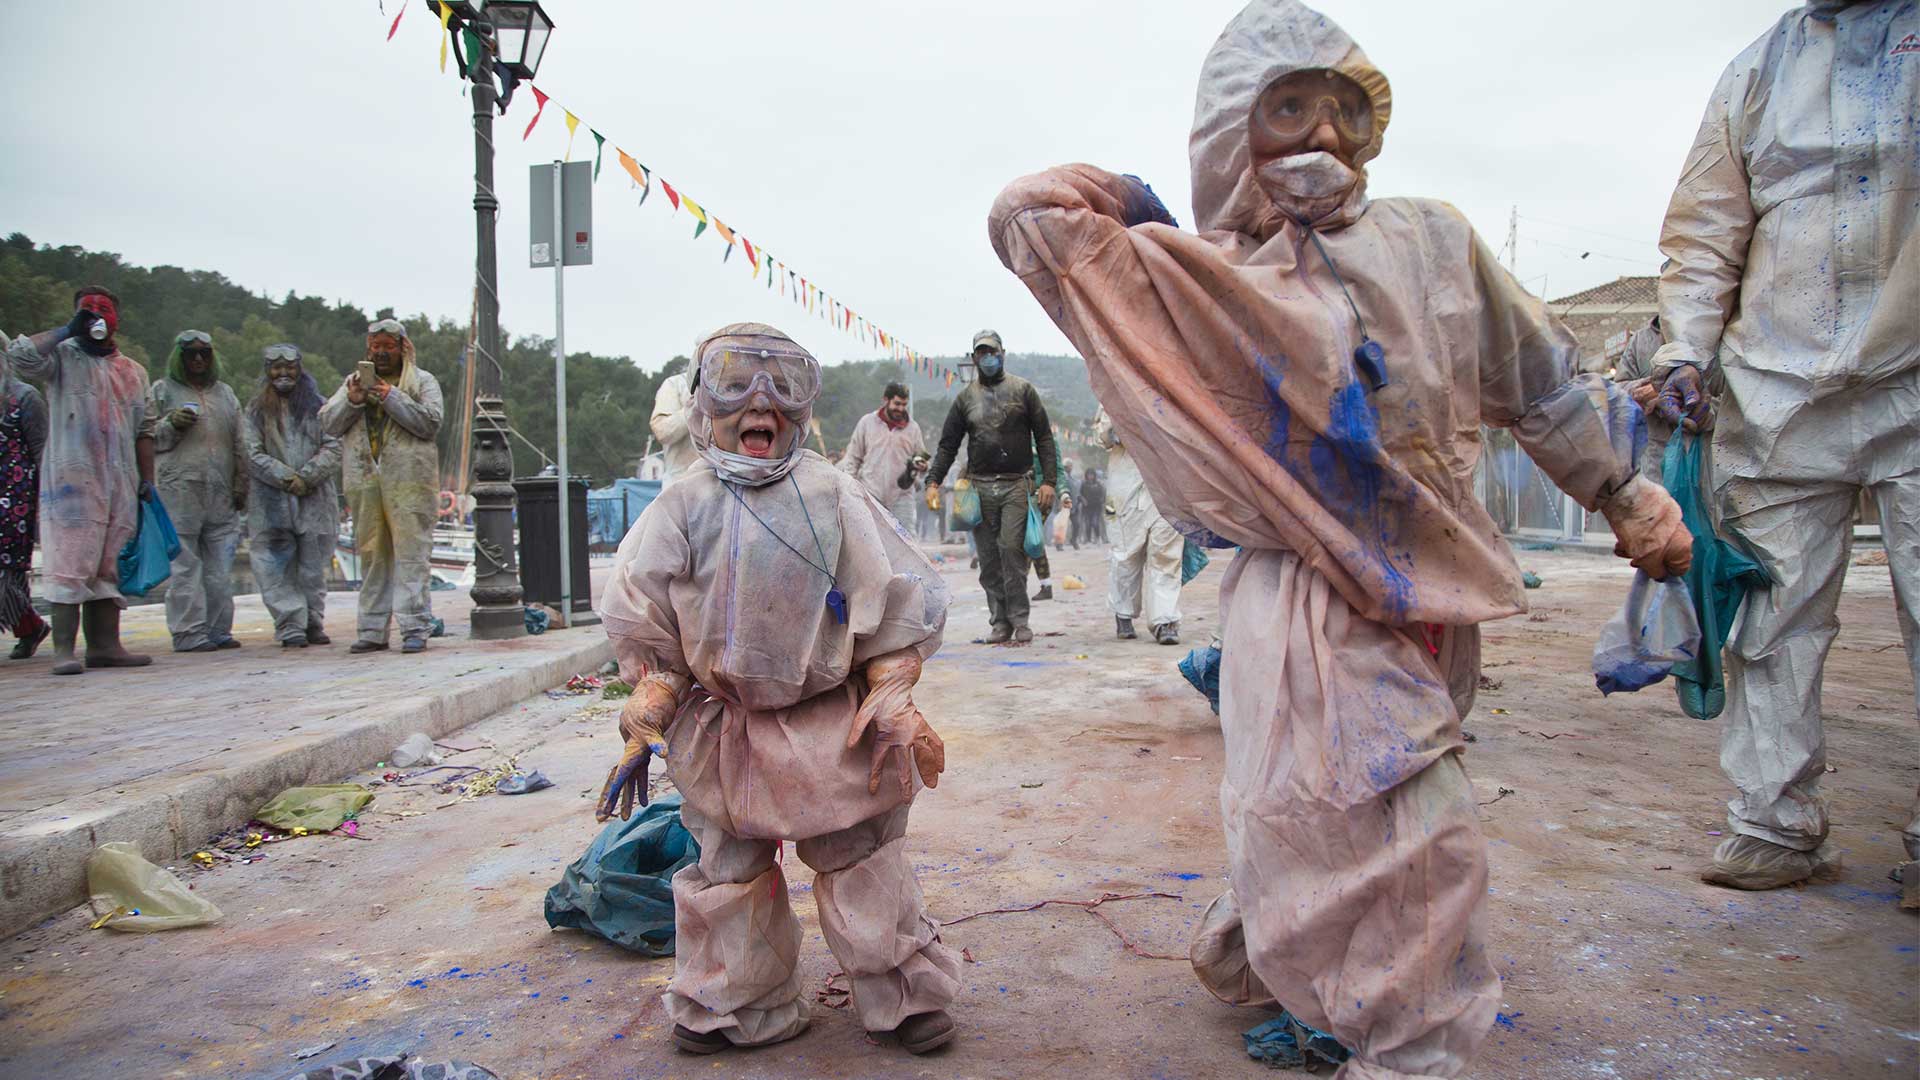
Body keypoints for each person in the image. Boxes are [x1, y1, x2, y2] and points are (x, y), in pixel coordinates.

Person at [987, 2, 1691, 1076]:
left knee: (1332, 817)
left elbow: (1541, 386)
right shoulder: (1191, 279)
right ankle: (1412, 1049)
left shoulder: (1436, 241)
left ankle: (1284, 963)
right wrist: (1141, 202)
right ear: (1230, 127)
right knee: (1413, 831)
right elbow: (1026, 216)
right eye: (1284, 106)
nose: (1321, 128)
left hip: (1435, 596)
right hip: (1301, 599)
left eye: (1344, 105)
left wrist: (1624, 492)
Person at [597, 322, 960, 1057]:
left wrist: (891, 695)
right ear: (702, 403)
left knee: (862, 856)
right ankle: (734, 1003)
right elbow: (655, 629)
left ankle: (901, 993)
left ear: (804, 405)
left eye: (784, 385)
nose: (761, 404)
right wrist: (651, 702)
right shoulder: (681, 505)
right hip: (724, 726)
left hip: (830, 722)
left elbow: (891, 607)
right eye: (735, 383)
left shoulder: (833, 494)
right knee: (726, 869)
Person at [1647, 0, 1918, 893]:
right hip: (1777, 390)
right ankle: (1773, 821)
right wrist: (1684, 347)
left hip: (1912, 373)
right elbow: (1703, 234)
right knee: (1771, 618)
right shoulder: (1760, 70)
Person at [6, 288, 158, 676]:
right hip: (70, 482)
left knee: (110, 564)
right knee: (69, 561)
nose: (95, 317)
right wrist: (64, 331)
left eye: (102, 310)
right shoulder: (60, 358)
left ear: (116, 319)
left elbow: (145, 428)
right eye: (86, 311)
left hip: (120, 481)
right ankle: (63, 651)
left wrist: (148, 480)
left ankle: (106, 646)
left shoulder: (133, 371)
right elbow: (20, 356)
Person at [924, 331, 1059, 643]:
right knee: (987, 559)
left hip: (1016, 484)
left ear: (1003, 354)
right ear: (974, 359)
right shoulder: (965, 399)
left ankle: (1019, 619)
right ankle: (999, 622)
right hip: (979, 489)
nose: (987, 358)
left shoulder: (1023, 391)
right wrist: (933, 480)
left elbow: (1045, 439)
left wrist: (1049, 481)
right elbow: (947, 445)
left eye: (992, 352)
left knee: (1012, 550)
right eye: (981, 353)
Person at [321, 319, 443, 655]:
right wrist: (352, 399)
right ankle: (372, 629)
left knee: (412, 554)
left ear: (402, 348)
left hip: (410, 483)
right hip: (364, 480)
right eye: (375, 346)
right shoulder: (353, 383)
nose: (381, 352)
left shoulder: (422, 382)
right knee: (372, 554)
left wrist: (392, 398)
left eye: (388, 346)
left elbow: (430, 422)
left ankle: (415, 626)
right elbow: (328, 423)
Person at [149, 330, 246, 653]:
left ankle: (218, 629)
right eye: (191, 353)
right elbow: (148, 439)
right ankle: (188, 631)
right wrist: (170, 424)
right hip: (179, 491)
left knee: (220, 569)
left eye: (204, 352)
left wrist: (241, 481)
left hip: (221, 492)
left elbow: (240, 443)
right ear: (180, 356)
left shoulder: (226, 395)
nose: (199, 359)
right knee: (185, 566)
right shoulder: (162, 391)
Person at [243, 344, 341, 649]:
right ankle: (289, 625)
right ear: (267, 371)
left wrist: (308, 476)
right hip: (271, 501)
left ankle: (313, 621)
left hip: (315, 499)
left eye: (290, 367)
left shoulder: (321, 407)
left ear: (300, 369)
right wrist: (286, 478)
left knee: (313, 566)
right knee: (275, 566)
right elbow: (250, 452)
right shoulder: (255, 411)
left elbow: (334, 446)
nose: (283, 374)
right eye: (276, 367)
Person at [1098, 407, 1186, 644]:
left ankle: (1164, 621)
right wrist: (1121, 429)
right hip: (1126, 487)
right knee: (1126, 554)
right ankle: (1123, 614)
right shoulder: (1115, 388)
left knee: (1166, 556)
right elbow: (1104, 435)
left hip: (1168, 486)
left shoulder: (1174, 388)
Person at [1, 342, 50, 659]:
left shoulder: (25, 397)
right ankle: (30, 627)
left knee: (8, 574)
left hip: (16, 499)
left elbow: (43, 450)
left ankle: (29, 627)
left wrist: (46, 504)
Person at [840, 381, 926, 526]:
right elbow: (853, 458)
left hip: (902, 496)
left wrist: (923, 465)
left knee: (906, 542)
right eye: (897, 404)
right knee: (871, 542)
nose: (901, 408)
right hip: (870, 494)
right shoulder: (867, 423)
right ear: (886, 400)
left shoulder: (913, 428)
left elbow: (922, 455)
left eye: (904, 405)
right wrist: (850, 487)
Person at [1611, 315, 1676, 474]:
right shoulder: (1641, 340)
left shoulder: (1711, 335)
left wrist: (1670, 391)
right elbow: (1619, 390)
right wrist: (1641, 390)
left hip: (1706, 456)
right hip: (1655, 458)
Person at [648, 362, 698, 485]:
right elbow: (663, 431)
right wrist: (694, 407)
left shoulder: (736, 386)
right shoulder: (676, 384)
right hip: (680, 488)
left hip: (725, 490)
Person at [1078, 466, 1107, 546]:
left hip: (1096, 507)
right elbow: (1079, 494)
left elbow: (1102, 495)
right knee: (1087, 524)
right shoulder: (1083, 484)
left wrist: (1101, 501)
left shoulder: (1098, 484)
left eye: (1092, 474)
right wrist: (1083, 500)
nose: (1090, 476)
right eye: (1088, 474)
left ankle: (1098, 538)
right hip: (1086, 508)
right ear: (1086, 475)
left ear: (1094, 475)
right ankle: (1088, 541)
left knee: (1095, 522)